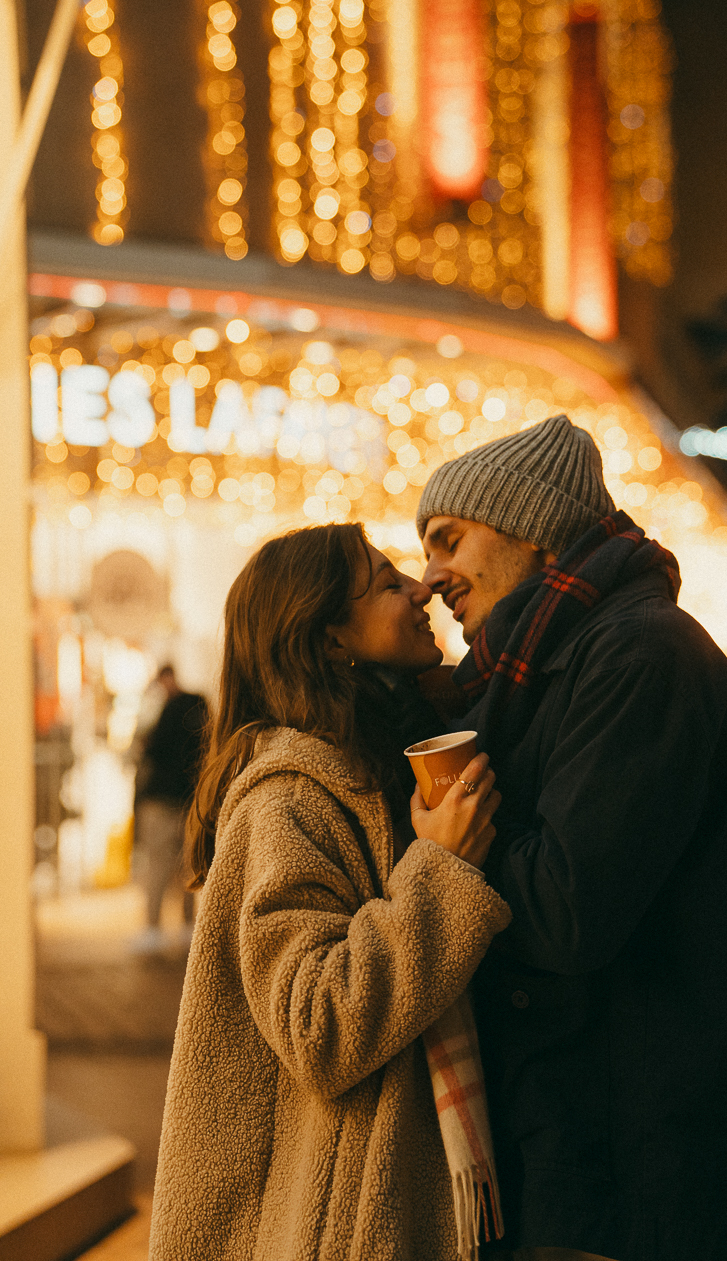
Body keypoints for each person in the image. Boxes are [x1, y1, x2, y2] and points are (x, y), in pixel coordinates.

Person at [417, 414, 727, 1261]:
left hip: (637, 1165)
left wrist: (452, 844)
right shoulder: (531, 668)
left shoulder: (640, 657)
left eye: (448, 539)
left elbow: (565, 911)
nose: (432, 574)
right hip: (582, 1139)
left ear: (530, 528)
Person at [149, 523, 511, 1261]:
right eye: (384, 584)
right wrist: (442, 871)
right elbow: (319, 1024)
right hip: (337, 1223)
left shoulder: (375, 763)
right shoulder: (286, 799)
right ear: (328, 639)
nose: (420, 588)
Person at [132, 665, 209, 952]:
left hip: (162, 800)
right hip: (189, 799)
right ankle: (188, 927)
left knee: (158, 867)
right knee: (187, 868)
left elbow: (151, 749)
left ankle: (153, 929)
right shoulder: (198, 705)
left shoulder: (166, 710)